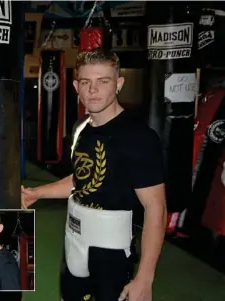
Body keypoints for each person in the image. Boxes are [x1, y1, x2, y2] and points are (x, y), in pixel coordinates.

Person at [22, 48, 167, 301]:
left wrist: (145, 276)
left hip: (111, 251)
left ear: (118, 84)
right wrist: (37, 192)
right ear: (76, 86)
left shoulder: (138, 137)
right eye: (86, 82)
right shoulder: (81, 128)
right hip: (74, 238)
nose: (93, 90)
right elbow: (82, 179)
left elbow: (156, 207)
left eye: (103, 81)